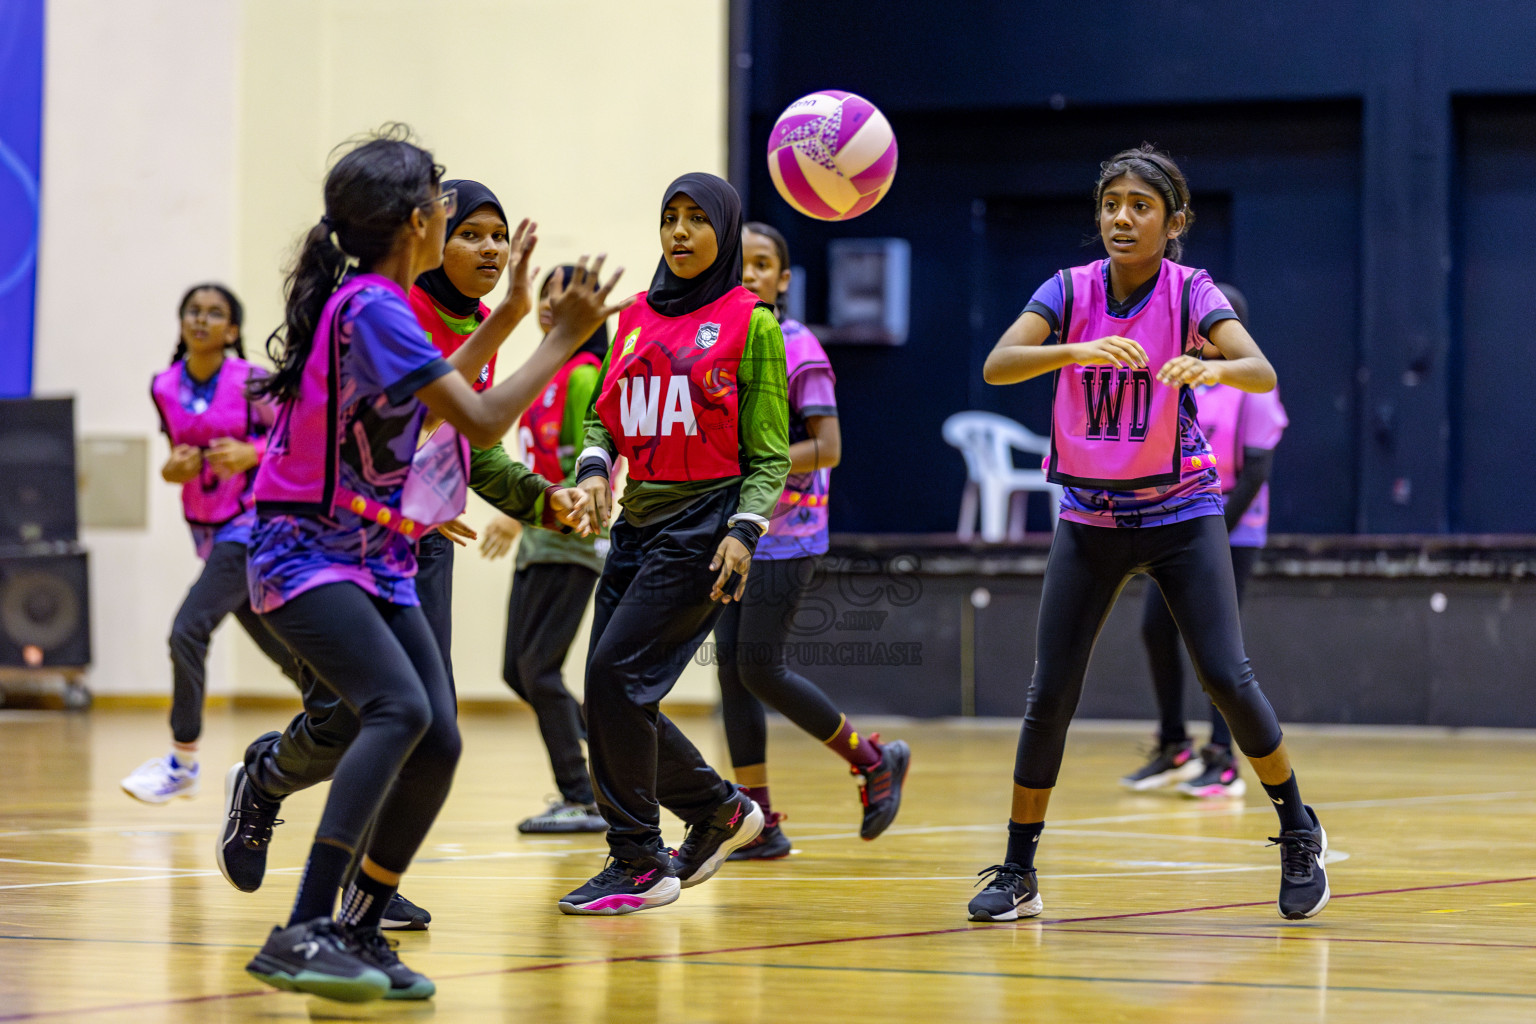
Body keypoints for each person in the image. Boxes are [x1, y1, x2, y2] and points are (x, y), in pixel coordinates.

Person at [239, 128, 621, 1002]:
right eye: (448, 211)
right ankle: (303, 929)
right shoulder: (374, 307)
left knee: (438, 734)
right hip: (306, 550)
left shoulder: (378, 304)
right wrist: (564, 340)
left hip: (371, 553)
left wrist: (515, 317)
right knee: (398, 708)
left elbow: (444, 397)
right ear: (418, 222)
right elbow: (480, 420)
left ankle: (359, 927)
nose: (460, 226)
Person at [968, 145, 1328, 924]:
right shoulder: (1068, 290)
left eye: (1140, 206)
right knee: (1049, 694)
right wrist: (1074, 349)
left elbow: (1261, 371)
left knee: (1226, 677)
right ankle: (1020, 869)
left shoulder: (1191, 292)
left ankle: (1299, 830)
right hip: (1090, 518)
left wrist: (1213, 369)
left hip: (1181, 514)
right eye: (1111, 205)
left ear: (1174, 222)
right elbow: (999, 365)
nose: (1122, 218)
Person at [557, 173, 789, 915]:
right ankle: (719, 811)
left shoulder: (752, 323)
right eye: (670, 218)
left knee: (615, 680)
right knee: (607, 695)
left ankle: (638, 860)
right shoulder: (632, 316)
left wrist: (744, 531)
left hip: (704, 526)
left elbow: (771, 453)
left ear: (725, 229)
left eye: (696, 219)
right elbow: (602, 417)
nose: (680, 232)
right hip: (636, 522)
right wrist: (595, 470)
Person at [715, 221, 908, 860]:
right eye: (739, 262)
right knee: (733, 677)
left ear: (783, 279)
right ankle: (759, 823)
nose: (748, 273)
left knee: (759, 667)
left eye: (761, 263)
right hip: (731, 531)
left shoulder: (800, 349)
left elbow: (829, 447)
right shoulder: (718, 344)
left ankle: (873, 759)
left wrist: (750, 465)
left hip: (788, 533)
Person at [121, 284, 299, 804]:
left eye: (214, 313)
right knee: (280, 644)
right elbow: (174, 457)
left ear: (232, 329)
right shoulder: (163, 385)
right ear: (181, 323)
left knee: (188, 630)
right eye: (193, 311)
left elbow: (294, 440)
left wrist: (252, 453)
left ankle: (182, 762)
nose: (201, 320)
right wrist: (170, 470)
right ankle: (351, 711)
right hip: (207, 527)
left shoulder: (253, 382)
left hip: (253, 523)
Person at [1120, 283, 1288, 799]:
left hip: (1231, 530)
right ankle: (1175, 745)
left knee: (1216, 645)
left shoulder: (1253, 384)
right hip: (1176, 522)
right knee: (1155, 627)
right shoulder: (1184, 374)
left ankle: (1223, 758)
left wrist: (1212, 524)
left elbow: (1256, 470)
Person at [481, 265, 612, 834]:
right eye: (546, 292)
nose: (549, 302)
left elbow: (589, 465)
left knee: (539, 669)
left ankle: (583, 796)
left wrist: (522, 512)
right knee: (518, 670)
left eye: (565, 293)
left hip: (571, 541)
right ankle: (617, 751)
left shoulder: (585, 376)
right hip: (538, 541)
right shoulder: (544, 377)